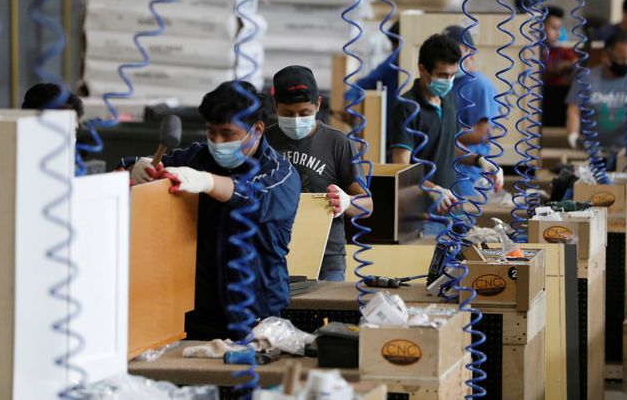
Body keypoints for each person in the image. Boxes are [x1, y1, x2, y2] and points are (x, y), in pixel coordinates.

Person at [128, 81, 301, 340]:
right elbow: (133, 169)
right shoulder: (197, 157)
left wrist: (206, 182)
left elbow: (251, 196)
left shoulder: (281, 175)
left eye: (227, 133)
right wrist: (137, 168)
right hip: (194, 308)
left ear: (257, 129)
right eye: (211, 132)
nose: (217, 142)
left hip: (255, 315)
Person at [266, 65, 372, 282]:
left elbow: (367, 205)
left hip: (327, 260)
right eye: (287, 114)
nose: (296, 120)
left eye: (305, 113)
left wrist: (347, 202)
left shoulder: (337, 143)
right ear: (275, 106)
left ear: (318, 105)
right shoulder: (263, 142)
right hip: (273, 256)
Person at [390, 33, 501, 219]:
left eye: (452, 75)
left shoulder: (447, 99)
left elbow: (451, 145)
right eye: (442, 75)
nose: (448, 81)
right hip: (420, 213)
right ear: (423, 70)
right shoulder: (407, 107)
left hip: (451, 204)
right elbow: (400, 167)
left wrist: (480, 160)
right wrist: (434, 191)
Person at [444, 25, 501, 198]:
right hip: (443, 165)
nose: (449, 55)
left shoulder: (479, 86)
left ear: (470, 52)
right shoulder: (443, 83)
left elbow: (479, 134)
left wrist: (442, 132)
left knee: (464, 217)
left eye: (455, 50)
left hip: (468, 172)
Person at [541, 6, 577, 126]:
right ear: (540, 26)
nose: (558, 33)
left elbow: (575, 63)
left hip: (557, 98)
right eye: (553, 28)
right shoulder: (532, 51)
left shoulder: (562, 50)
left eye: (559, 29)